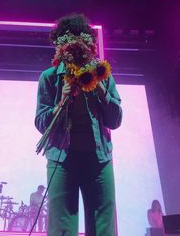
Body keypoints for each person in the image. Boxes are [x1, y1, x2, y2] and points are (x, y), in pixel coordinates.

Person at [35, 14, 122, 236]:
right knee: (62, 228)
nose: (75, 50)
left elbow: (116, 120)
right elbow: (40, 122)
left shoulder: (102, 74)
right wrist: (60, 104)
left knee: (103, 225)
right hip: (62, 160)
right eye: (68, 44)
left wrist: (101, 89)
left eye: (80, 43)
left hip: (98, 159)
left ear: (88, 45)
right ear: (60, 47)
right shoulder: (50, 77)